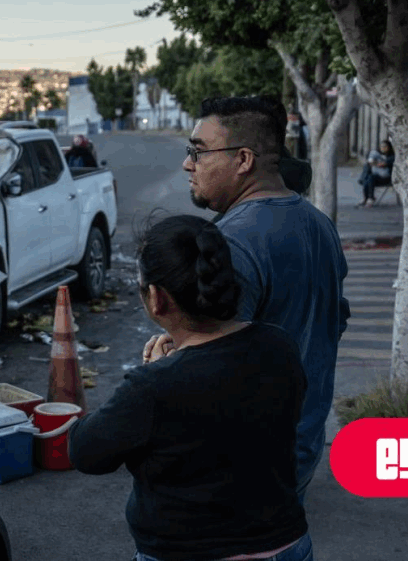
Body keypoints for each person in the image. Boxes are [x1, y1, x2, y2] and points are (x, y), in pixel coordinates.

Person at [69, 214, 311, 561]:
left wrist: (156, 372)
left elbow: (85, 451)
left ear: (156, 298)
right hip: (287, 546)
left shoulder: (153, 385)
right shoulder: (279, 346)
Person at [147, 96, 350, 505]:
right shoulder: (319, 225)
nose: (188, 164)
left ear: (243, 159)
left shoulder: (229, 244)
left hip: (241, 465)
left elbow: (210, 378)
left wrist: (165, 367)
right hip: (302, 444)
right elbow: (334, 322)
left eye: (198, 151)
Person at [356, 139, 394, 208]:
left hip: (387, 178)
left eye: (385, 146)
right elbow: (371, 162)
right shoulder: (377, 154)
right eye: (381, 146)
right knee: (368, 176)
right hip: (375, 177)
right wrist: (371, 162)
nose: (383, 148)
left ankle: (370, 198)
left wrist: (374, 163)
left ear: (389, 147)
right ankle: (367, 198)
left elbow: (382, 164)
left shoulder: (391, 156)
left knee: (370, 177)